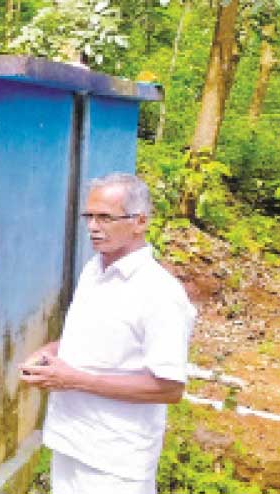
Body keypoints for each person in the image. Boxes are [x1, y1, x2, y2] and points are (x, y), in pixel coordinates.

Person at [20, 173, 195, 494]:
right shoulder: (94, 270)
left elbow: (170, 388)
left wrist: (74, 379)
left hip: (115, 461)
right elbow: (88, 337)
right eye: (89, 216)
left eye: (105, 217)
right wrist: (49, 352)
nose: (93, 226)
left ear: (139, 222)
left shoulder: (160, 294)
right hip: (70, 440)